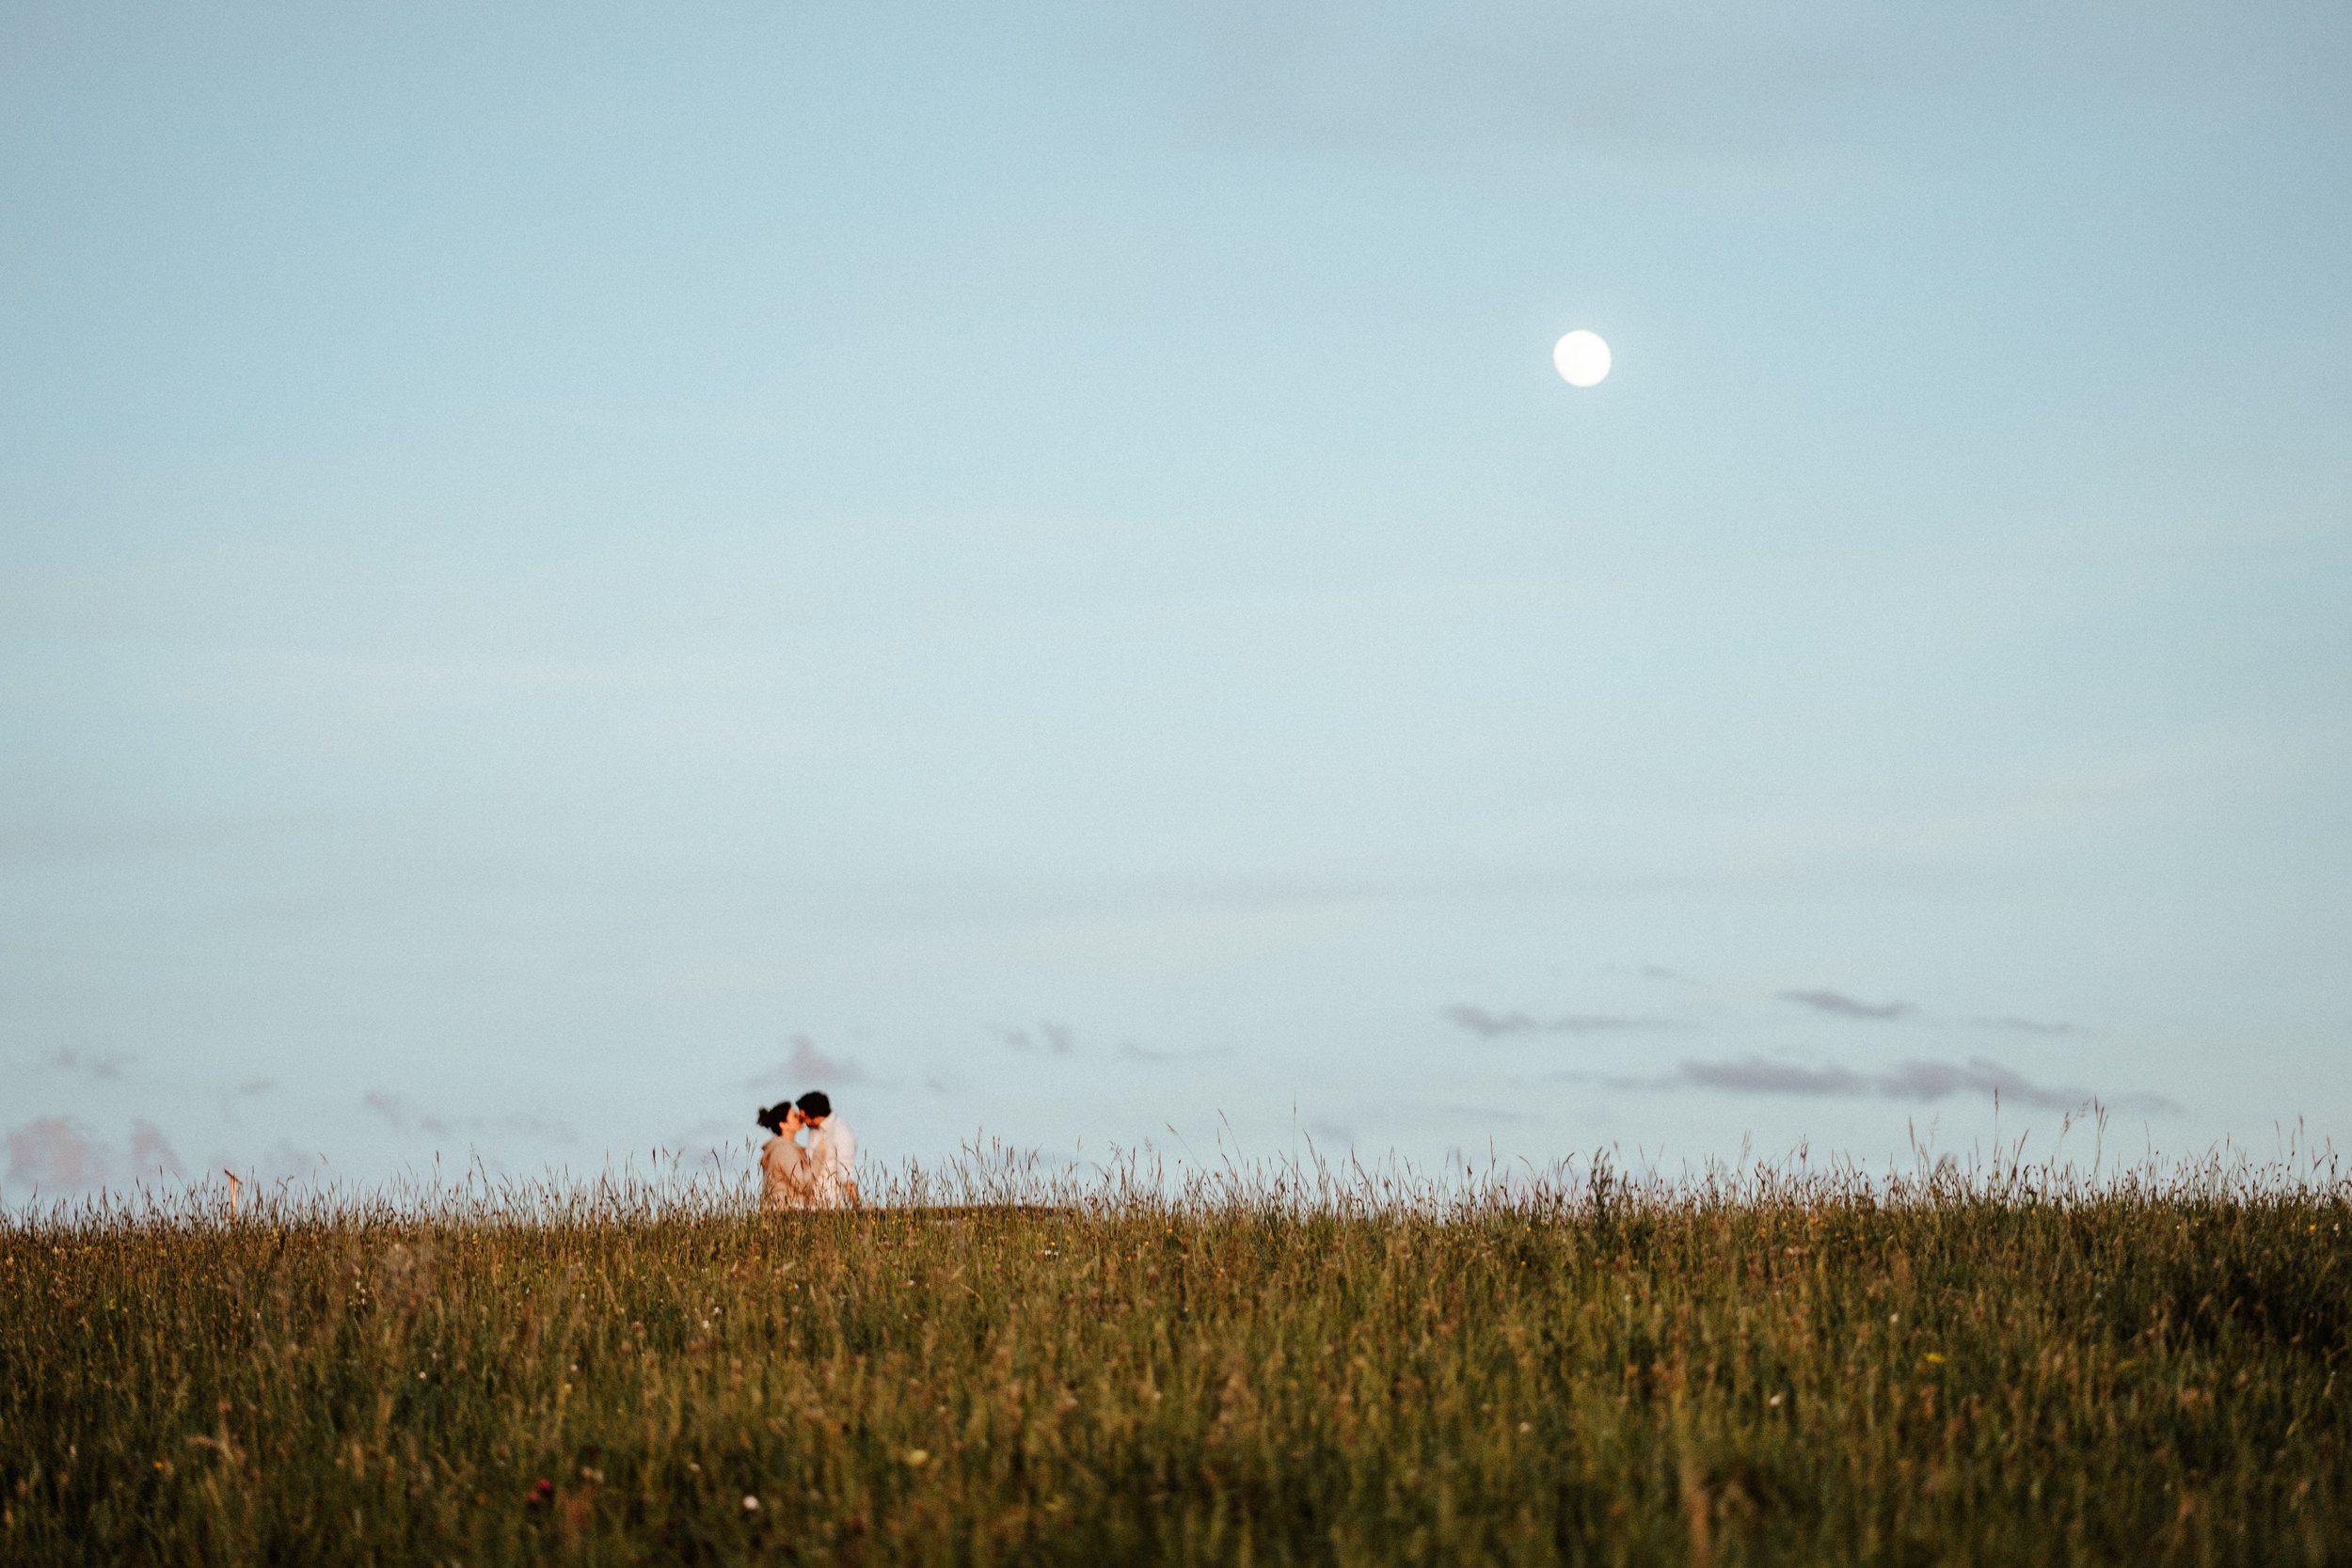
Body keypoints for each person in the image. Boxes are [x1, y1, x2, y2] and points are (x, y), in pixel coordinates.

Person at [796, 1090, 859, 1209]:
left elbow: (846, 1172)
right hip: (809, 1205)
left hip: (830, 1204)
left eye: (803, 1117)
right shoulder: (814, 1130)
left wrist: (857, 1206)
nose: (801, 1121)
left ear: (816, 1117)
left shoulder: (840, 1132)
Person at [755, 1100, 812, 1212]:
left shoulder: (785, 1148)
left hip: (782, 1211)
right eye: (795, 1115)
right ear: (783, 1124)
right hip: (786, 1212)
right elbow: (802, 1184)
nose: (800, 1117)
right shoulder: (784, 1150)